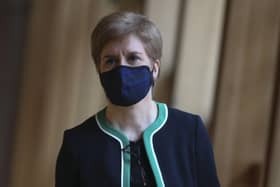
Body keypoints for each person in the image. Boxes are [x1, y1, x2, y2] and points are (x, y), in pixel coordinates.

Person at [55, 11, 220, 187]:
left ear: (154, 68)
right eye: (110, 61)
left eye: (133, 58)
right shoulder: (78, 143)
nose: (121, 69)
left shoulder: (189, 131)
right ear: (99, 70)